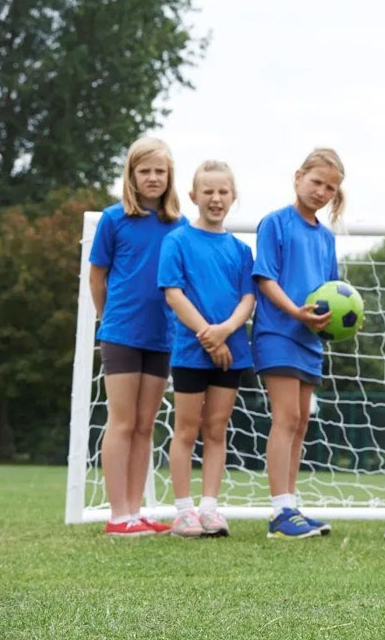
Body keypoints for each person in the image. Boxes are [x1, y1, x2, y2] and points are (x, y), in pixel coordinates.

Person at [89, 137, 189, 537]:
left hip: (162, 336)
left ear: (169, 177)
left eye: (159, 171)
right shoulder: (113, 220)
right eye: (144, 171)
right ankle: (118, 515)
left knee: (146, 425)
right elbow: (97, 276)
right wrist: (108, 320)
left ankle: (135, 510)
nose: (152, 178)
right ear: (131, 176)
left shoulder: (180, 226)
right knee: (122, 421)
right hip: (121, 334)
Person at [158, 161, 255, 538]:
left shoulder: (241, 250)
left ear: (233, 196)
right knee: (186, 429)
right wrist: (207, 335)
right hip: (190, 351)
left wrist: (225, 331)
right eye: (208, 191)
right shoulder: (177, 241)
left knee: (216, 428)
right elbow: (174, 294)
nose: (216, 198)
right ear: (193, 196)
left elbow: (248, 299)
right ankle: (184, 512)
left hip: (232, 350)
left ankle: (210, 509)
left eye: (223, 192)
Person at [252, 147, 345, 539]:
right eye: (316, 181)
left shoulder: (326, 237)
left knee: (302, 422)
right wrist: (295, 312)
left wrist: (332, 321)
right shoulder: (274, 223)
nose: (321, 191)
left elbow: (331, 291)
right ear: (298, 177)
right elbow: (264, 278)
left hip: (310, 340)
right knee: (286, 418)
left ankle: (290, 505)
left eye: (330, 188)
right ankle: (279, 512)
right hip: (278, 333)